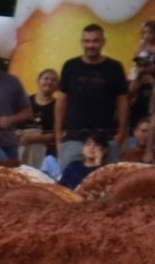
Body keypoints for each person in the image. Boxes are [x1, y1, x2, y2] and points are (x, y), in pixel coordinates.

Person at [55, 23, 129, 166]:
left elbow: (122, 101)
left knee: (107, 184)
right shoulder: (70, 66)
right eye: (87, 41)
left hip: (106, 139)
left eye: (95, 41)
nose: (91, 45)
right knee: (68, 184)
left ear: (103, 42)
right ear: (81, 42)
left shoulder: (115, 68)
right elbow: (62, 100)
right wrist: (58, 135)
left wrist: (121, 133)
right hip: (73, 139)